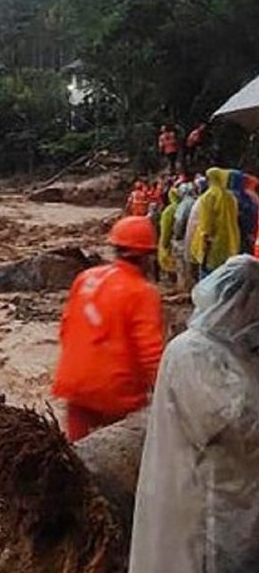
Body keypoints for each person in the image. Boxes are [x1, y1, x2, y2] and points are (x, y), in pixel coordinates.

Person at [130, 256, 259, 573]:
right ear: (234, 301)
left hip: (235, 494)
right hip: (202, 496)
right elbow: (229, 422)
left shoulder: (238, 349)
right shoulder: (192, 352)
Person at [52, 216, 165, 442]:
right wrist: (167, 392)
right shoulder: (142, 292)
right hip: (114, 391)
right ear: (147, 257)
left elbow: (65, 328)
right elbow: (151, 353)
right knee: (115, 457)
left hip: (74, 381)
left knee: (75, 451)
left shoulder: (86, 278)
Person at [191, 167, 241, 278]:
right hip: (231, 241)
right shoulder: (231, 197)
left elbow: (206, 224)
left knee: (208, 278)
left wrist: (203, 244)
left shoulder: (207, 197)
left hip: (213, 245)